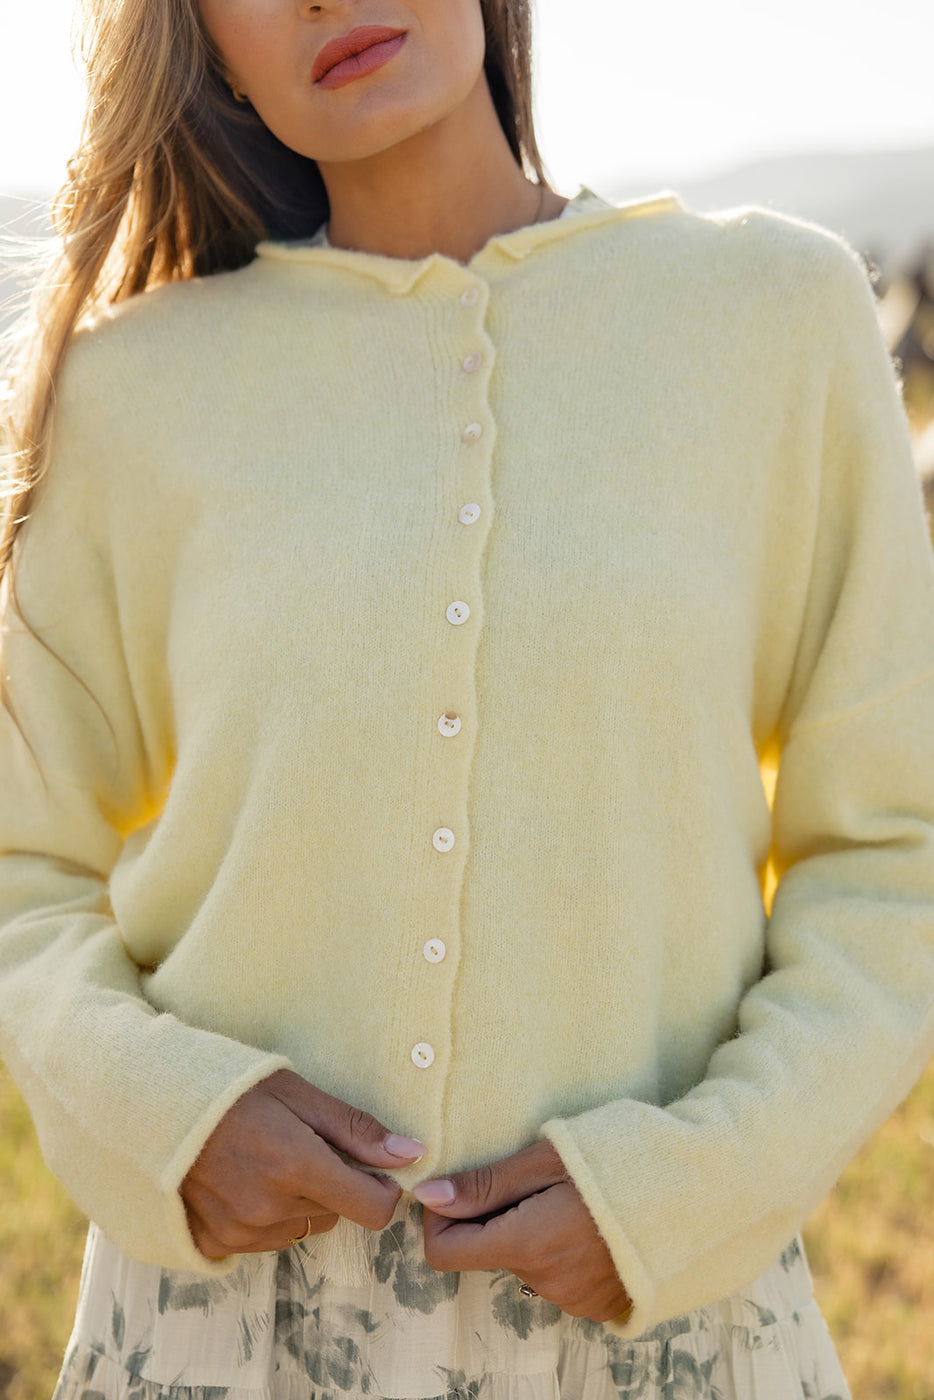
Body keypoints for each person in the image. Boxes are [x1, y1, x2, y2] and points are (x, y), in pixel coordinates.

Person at [2, 1, 933, 1396]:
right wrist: (167, 1123)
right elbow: (22, 862)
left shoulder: (774, 322)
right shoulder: (138, 388)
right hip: (225, 1333)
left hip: (667, 1321)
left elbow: (891, 854)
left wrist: (684, 1190)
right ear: (204, 43)